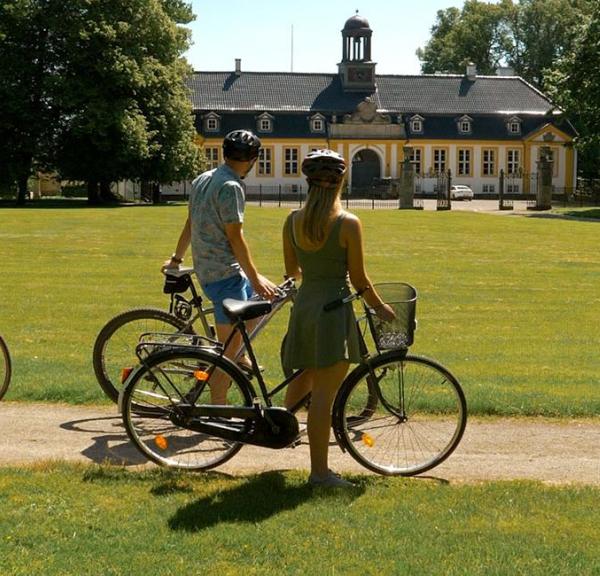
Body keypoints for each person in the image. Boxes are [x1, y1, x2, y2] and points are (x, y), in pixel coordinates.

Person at [281, 149, 395, 488]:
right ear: (339, 183)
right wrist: (382, 308)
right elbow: (359, 280)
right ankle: (319, 474)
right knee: (324, 397)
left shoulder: (291, 221)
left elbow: (292, 272)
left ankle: (281, 433)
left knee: (303, 379)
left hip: (304, 308)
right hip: (333, 310)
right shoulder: (347, 223)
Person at [162, 129, 278, 402]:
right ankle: (219, 411)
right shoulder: (231, 187)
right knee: (227, 354)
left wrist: (177, 258)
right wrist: (255, 276)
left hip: (213, 269)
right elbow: (235, 237)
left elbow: (191, 222)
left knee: (268, 299)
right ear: (253, 160)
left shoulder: (203, 179)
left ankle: (241, 355)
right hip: (224, 276)